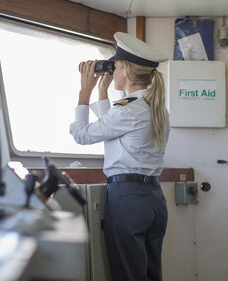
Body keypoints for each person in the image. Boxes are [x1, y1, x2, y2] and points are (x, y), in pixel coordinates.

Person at [70, 32, 170, 281]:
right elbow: (112, 129)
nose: (111, 71)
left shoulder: (128, 110)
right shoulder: (153, 107)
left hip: (128, 199)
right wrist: (102, 92)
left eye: (114, 66)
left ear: (124, 69)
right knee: (149, 274)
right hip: (154, 199)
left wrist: (85, 91)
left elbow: (81, 135)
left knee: (129, 275)